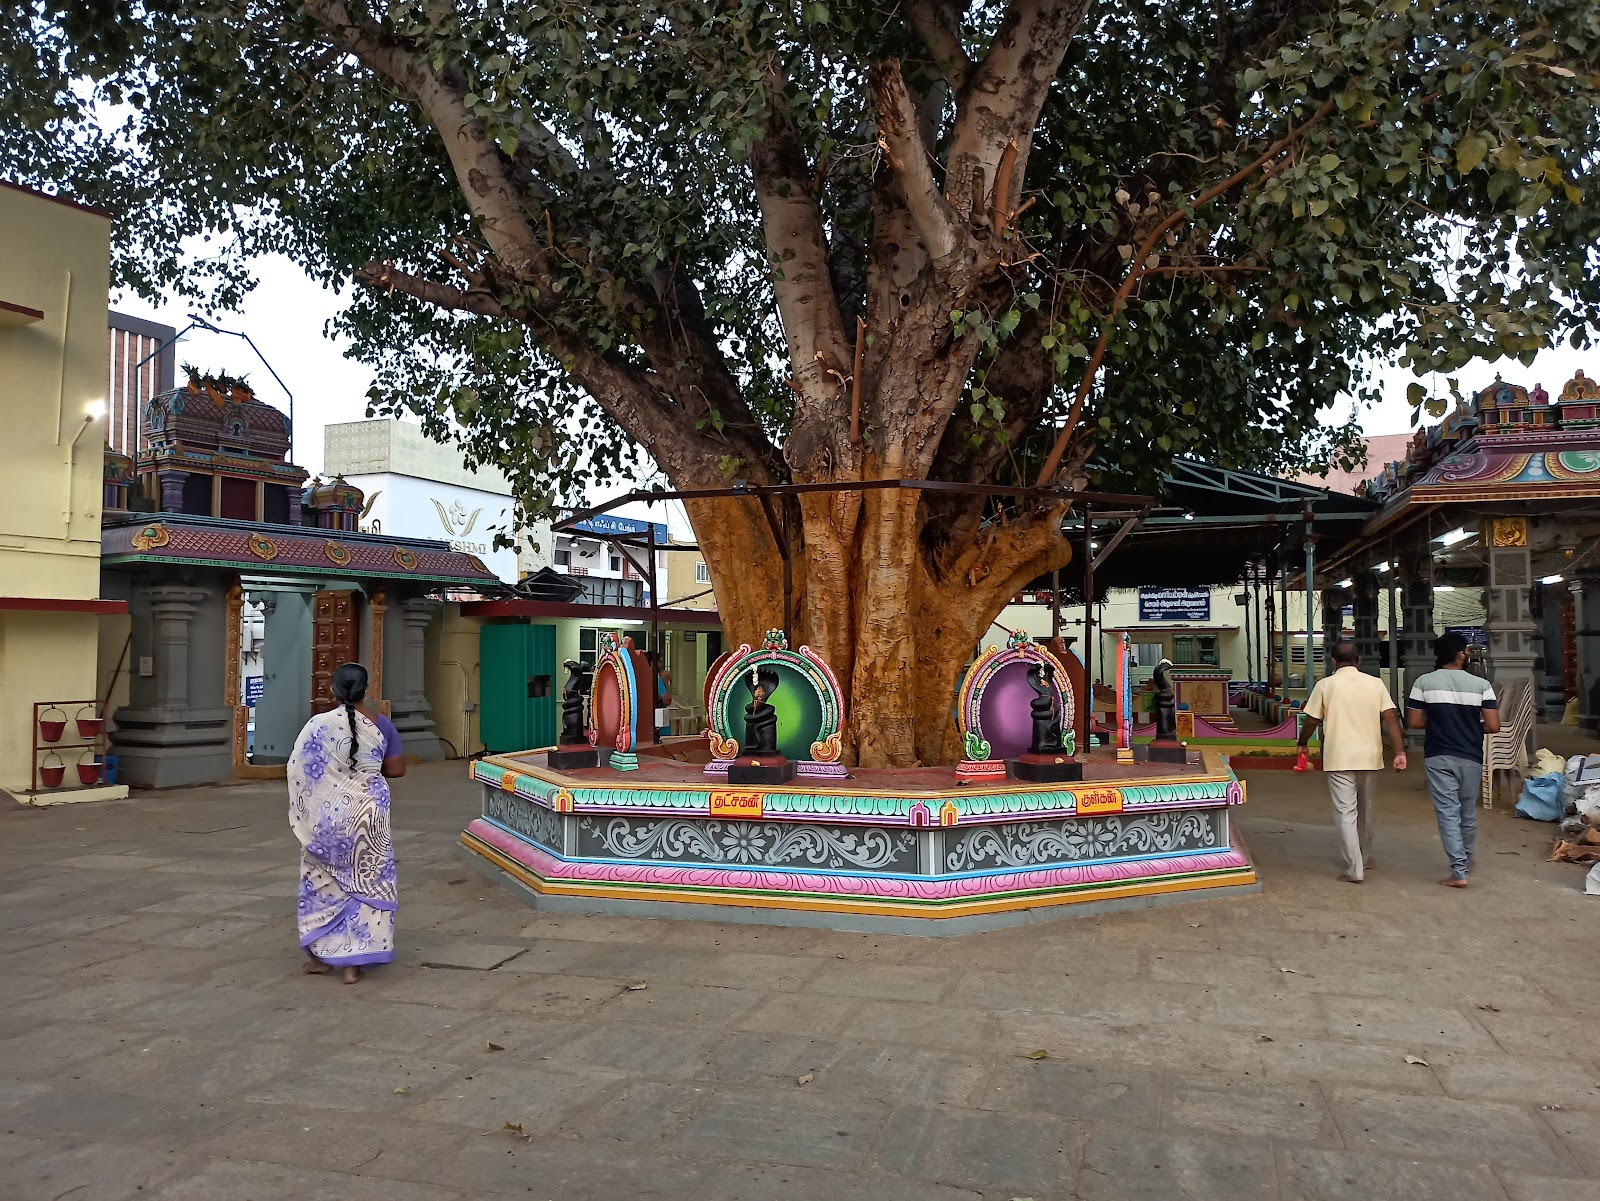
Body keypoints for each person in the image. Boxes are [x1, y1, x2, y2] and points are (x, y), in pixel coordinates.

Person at [287, 662, 405, 984]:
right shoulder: (382, 726)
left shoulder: (316, 726)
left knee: (323, 882)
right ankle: (354, 965)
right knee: (368, 882)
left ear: (332, 690)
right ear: (367, 690)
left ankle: (321, 958)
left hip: (327, 821)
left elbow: (299, 771)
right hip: (370, 817)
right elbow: (396, 770)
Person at [1296, 640, 1408, 884]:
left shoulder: (1326, 685)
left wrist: (1302, 742)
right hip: (1369, 756)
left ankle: (1354, 868)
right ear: (1358, 660)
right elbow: (1391, 718)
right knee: (1365, 809)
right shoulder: (1375, 684)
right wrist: (1400, 752)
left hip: (1339, 757)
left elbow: (1312, 720)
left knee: (1345, 812)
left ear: (1334, 662)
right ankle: (1365, 857)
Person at [1406, 633, 1500, 888]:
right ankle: (1466, 861)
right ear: (1460, 655)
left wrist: (1441, 723)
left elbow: (1414, 722)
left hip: (1438, 755)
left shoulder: (1424, 682)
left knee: (1448, 813)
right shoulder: (1482, 685)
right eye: (1465, 652)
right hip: (1470, 755)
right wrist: (1467, 725)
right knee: (1467, 812)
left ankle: (1459, 872)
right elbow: (1493, 726)